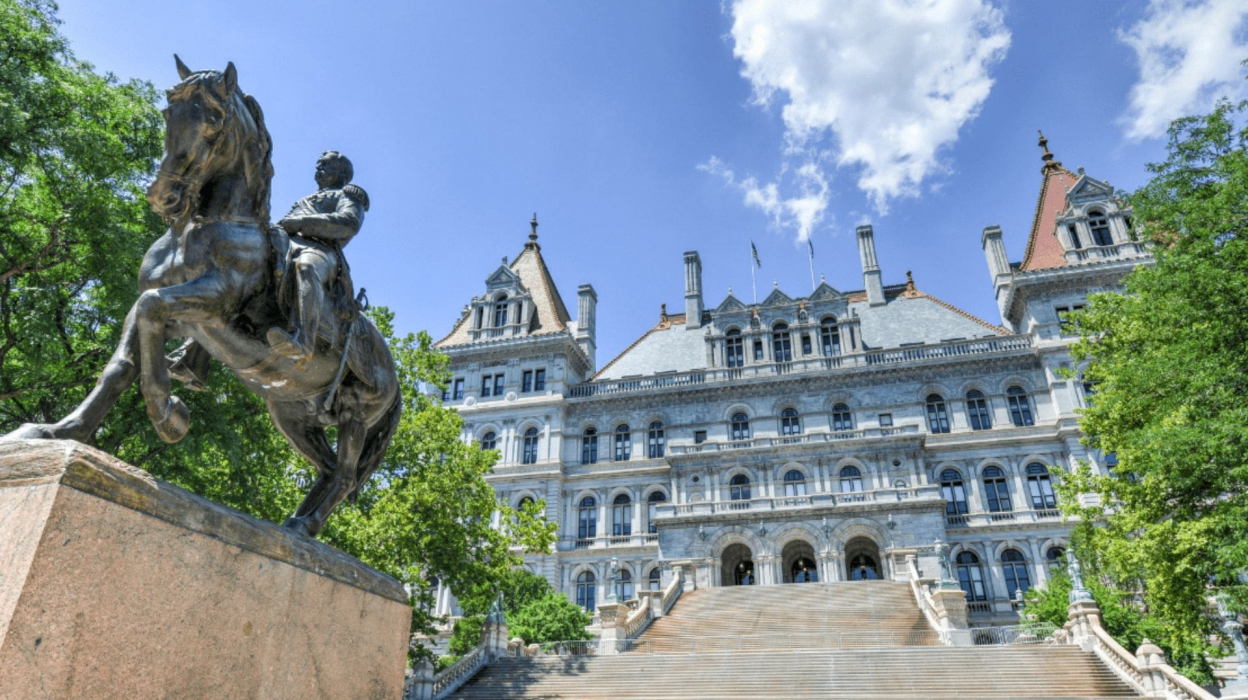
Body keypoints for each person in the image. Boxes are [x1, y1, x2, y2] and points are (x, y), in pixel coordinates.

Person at [267, 150, 369, 364]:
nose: (318, 168)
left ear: (342, 173)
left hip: (322, 250)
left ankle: (304, 341)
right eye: (318, 164)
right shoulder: (303, 200)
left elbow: (349, 222)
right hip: (287, 244)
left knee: (306, 267)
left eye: (326, 164)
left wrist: (302, 223)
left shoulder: (348, 195)